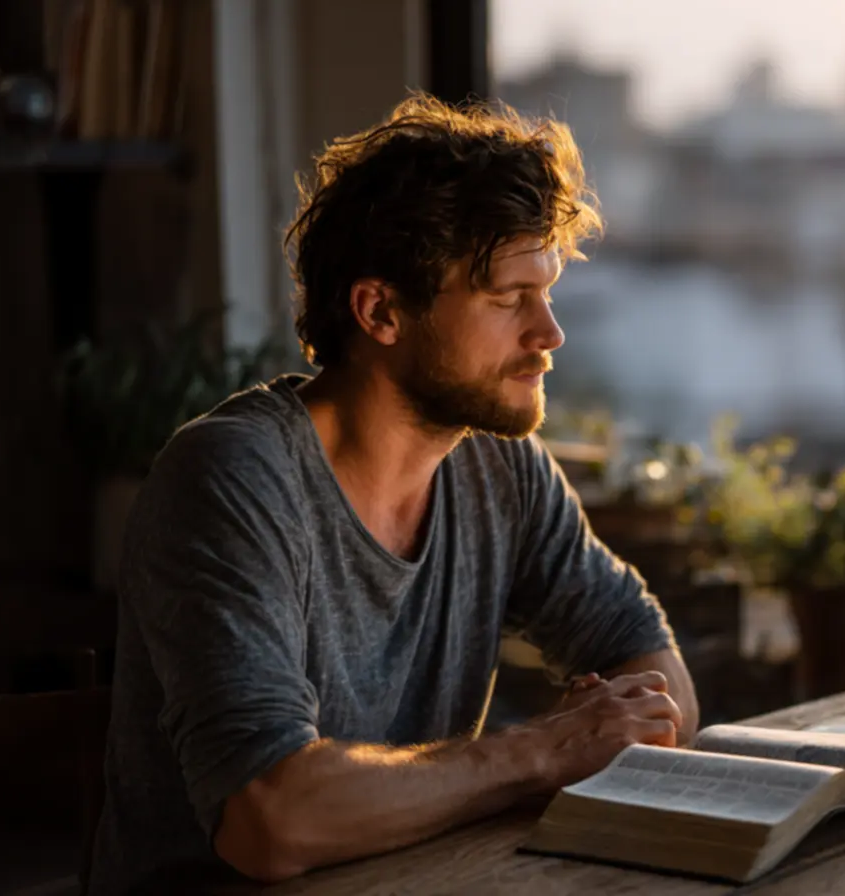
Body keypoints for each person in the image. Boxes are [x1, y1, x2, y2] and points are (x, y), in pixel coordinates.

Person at [87, 92, 698, 894]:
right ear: (380, 311)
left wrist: (611, 724)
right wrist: (544, 749)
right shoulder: (231, 481)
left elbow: (655, 673)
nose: (549, 335)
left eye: (547, 294)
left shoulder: (498, 467)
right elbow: (272, 819)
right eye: (508, 299)